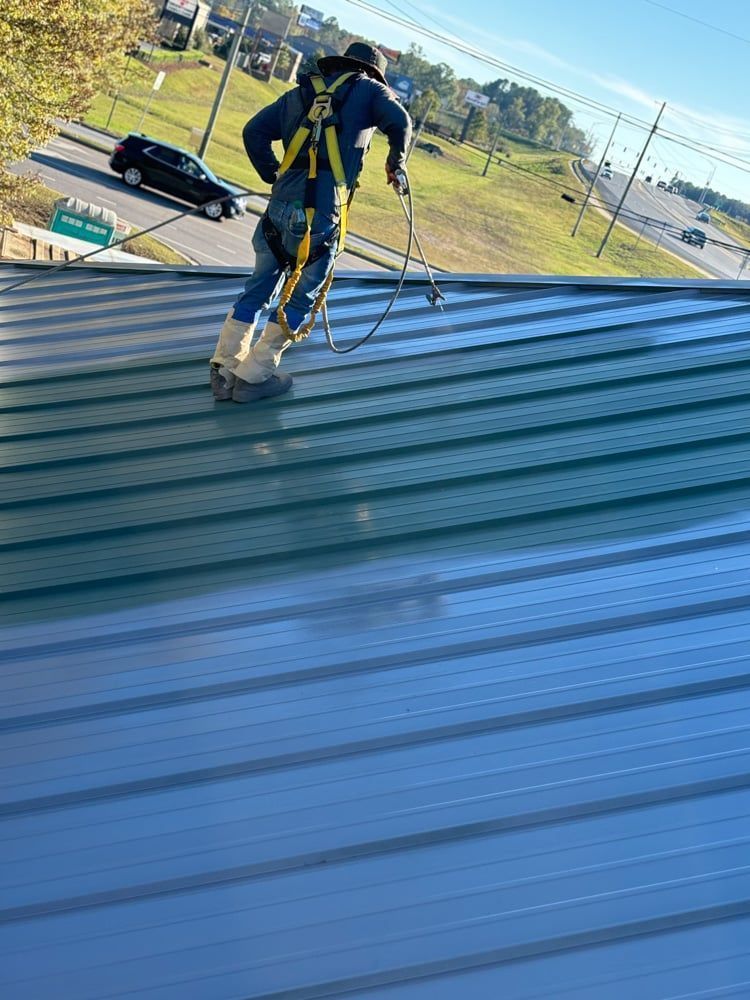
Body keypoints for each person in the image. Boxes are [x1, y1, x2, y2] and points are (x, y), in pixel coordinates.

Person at [209, 43, 412, 403]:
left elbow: (252, 132)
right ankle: (254, 377)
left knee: (258, 289)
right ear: (369, 71)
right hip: (319, 219)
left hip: (277, 212)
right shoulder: (368, 90)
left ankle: (225, 367)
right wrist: (395, 162)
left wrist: (274, 174)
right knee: (299, 299)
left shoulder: (299, 93)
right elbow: (401, 122)